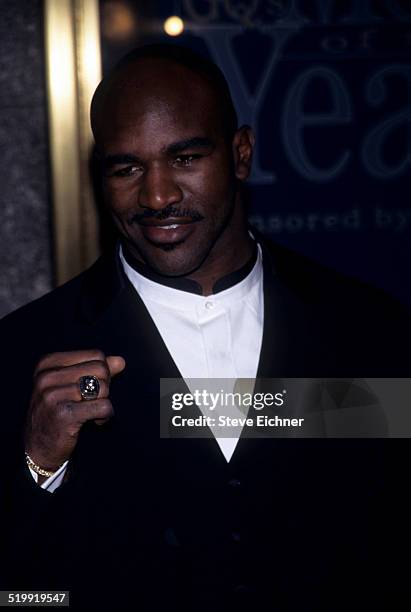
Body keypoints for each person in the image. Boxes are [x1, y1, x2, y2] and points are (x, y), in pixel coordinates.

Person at [1, 44, 410, 611]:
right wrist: (36, 466)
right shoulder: (23, 351)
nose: (158, 195)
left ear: (240, 154)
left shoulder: (369, 329)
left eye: (186, 158)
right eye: (127, 168)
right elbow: (20, 596)